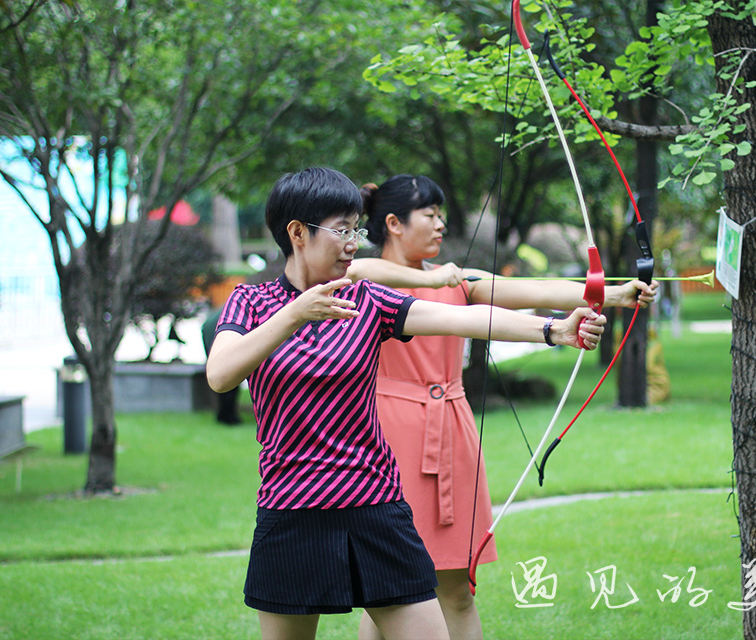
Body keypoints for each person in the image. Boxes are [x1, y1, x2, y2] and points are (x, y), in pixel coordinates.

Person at [205, 167, 607, 640]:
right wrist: (296, 313)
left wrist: (552, 330)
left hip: (374, 503)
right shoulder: (250, 302)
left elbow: (466, 317)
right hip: (292, 510)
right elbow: (221, 374)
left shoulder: (369, 301)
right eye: (342, 229)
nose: (355, 241)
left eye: (357, 228)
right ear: (297, 233)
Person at [351, 174, 657, 640]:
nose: (440, 225)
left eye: (441, 215)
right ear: (393, 223)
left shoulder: (459, 280)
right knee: (390, 594)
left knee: (456, 590)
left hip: (451, 430)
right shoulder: (365, 280)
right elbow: (358, 273)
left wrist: (612, 293)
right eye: (429, 215)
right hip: (389, 437)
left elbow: (538, 291)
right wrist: (429, 277)